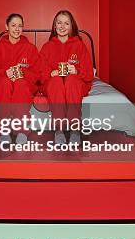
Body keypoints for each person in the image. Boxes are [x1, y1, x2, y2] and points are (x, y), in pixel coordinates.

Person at [39, 10, 94, 146]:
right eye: (59, 23)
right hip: (53, 83)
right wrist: (51, 73)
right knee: (56, 82)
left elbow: (88, 73)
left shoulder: (79, 46)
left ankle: (75, 129)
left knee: (71, 80)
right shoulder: (47, 47)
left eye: (66, 23)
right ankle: (59, 129)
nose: (62, 26)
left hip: (75, 82)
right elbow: (39, 72)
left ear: (71, 26)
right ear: (54, 25)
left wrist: (76, 70)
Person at [0, 13, 39, 144]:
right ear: (7, 27)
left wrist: (23, 73)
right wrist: (5, 73)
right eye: (13, 25)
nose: (17, 29)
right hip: (3, 82)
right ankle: (4, 129)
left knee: (21, 84)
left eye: (20, 26)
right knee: (5, 84)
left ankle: (22, 130)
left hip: (24, 83)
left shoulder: (30, 48)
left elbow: (37, 74)